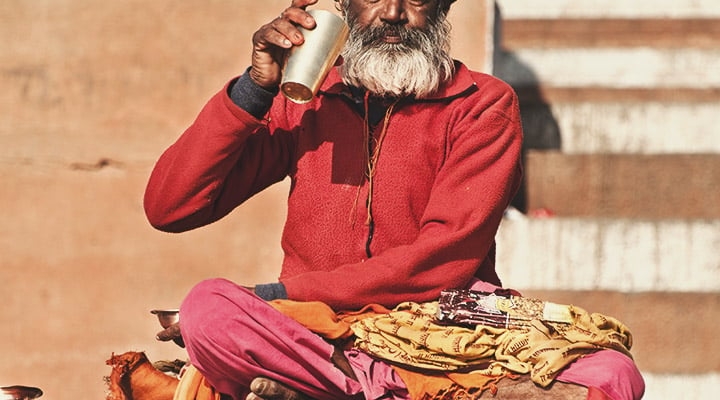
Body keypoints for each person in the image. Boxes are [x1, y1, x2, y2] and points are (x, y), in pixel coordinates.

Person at [144, 0, 644, 399]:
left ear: (443, 8)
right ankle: (370, 386)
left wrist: (277, 299)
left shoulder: (484, 104)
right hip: (318, 332)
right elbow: (172, 206)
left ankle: (341, 387)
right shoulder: (309, 98)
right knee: (207, 308)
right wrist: (255, 89)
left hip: (447, 325)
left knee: (611, 375)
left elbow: (442, 257)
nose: (392, 13)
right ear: (343, 6)